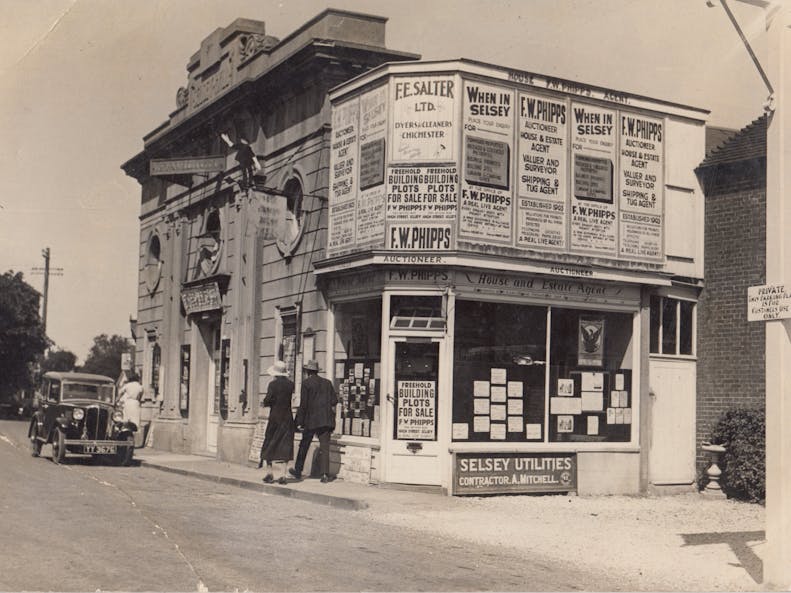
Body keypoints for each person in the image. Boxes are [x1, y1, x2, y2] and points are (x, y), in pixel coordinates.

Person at [290, 359, 337, 483]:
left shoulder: (306, 384)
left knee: (304, 445)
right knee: (325, 447)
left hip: (311, 421)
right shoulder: (327, 383)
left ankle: (298, 471)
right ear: (317, 371)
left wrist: (298, 421)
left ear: (307, 372)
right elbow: (334, 401)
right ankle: (325, 474)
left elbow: (303, 405)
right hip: (325, 420)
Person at [259, 360, 296, 485]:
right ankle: (283, 475)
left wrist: (264, 402)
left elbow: (269, 399)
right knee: (285, 445)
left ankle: (270, 473)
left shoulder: (273, 385)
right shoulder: (291, 385)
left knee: (269, 443)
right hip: (287, 418)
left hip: (275, 417)